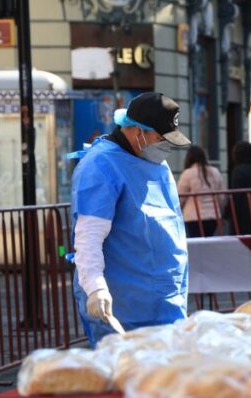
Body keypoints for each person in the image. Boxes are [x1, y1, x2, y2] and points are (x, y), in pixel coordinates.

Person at [71, 92, 191, 347]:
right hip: (126, 306)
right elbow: (88, 237)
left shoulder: (154, 161)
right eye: (161, 139)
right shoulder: (101, 166)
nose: (165, 147)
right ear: (138, 131)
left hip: (164, 298)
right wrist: (95, 287)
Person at [177, 145, 224, 238]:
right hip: (213, 215)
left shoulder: (188, 173)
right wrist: (220, 211)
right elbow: (221, 197)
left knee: (196, 243)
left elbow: (180, 197)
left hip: (193, 216)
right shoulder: (215, 171)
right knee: (210, 241)